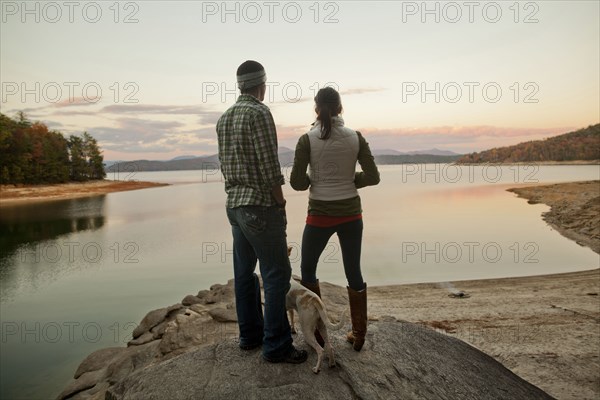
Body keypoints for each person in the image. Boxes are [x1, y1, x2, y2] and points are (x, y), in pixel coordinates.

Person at [216, 60, 307, 364]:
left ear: (240, 84)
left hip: (234, 206)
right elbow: (270, 166)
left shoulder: (224, 119)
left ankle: (250, 336)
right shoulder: (260, 113)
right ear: (262, 84)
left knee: (243, 274)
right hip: (259, 206)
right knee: (277, 273)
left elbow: (224, 164)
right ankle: (277, 345)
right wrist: (280, 202)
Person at [290, 87, 380, 351]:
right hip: (352, 215)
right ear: (341, 108)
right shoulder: (356, 137)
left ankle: (318, 335)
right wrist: (350, 180)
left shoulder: (307, 139)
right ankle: (359, 334)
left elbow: (296, 183)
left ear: (316, 109)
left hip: (319, 215)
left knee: (308, 270)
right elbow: (373, 177)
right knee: (354, 271)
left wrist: (316, 179)